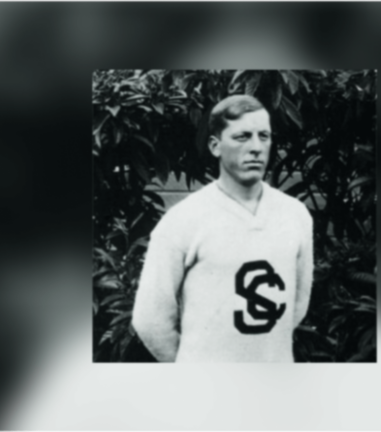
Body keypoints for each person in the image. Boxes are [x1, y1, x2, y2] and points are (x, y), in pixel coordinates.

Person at [131, 94, 313, 362]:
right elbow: (150, 320)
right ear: (216, 146)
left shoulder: (294, 214)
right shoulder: (183, 220)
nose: (256, 147)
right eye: (242, 137)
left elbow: (297, 302)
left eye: (264, 136)